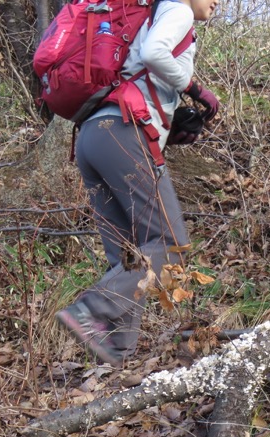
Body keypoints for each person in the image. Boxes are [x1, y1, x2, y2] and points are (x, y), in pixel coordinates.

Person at [56, 0, 221, 366]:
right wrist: (196, 89)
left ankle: (116, 355)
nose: (217, 2)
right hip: (121, 135)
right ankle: (91, 306)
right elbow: (154, 53)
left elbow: (139, 76)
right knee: (170, 243)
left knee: (129, 255)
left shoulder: (146, 16)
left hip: (92, 139)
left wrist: (170, 124)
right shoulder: (176, 10)